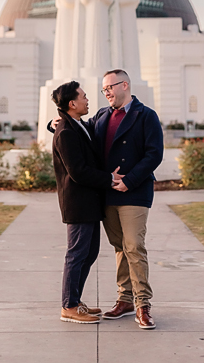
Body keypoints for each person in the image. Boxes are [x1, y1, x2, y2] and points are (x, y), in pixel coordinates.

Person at [94, 69, 164, 329]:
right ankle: (124, 300)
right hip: (108, 192)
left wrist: (130, 180)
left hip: (134, 191)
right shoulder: (101, 115)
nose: (107, 92)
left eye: (110, 87)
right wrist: (57, 123)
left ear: (125, 85)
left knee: (134, 245)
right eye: (104, 90)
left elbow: (154, 154)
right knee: (120, 246)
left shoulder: (146, 115)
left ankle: (142, 304)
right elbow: (82, 136)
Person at [51, 81, 124, 324]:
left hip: (89, 202)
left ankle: (75, 301)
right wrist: (110, 178)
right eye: (83, 96)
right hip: (78, 203)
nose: (87, 99)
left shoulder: (76, 125)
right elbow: (78, 171)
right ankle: (69, 306)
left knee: (89, 253)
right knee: (77, 254)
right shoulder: (67, 131)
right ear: (72, 103)